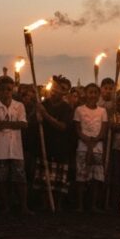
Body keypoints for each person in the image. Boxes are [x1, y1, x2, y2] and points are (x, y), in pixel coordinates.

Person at [0, 77, 31, 214]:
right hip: (0, 148)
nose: (7, 93)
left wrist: (4, 124)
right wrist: (13, 124)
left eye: (9, 90)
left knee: (20, 178)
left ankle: (24, 206)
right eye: (4, 89)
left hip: (16, 148)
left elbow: (23, 124)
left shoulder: (19, 106)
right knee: (1, 179)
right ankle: (5, 206)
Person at [33, 76, 75, 209]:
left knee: (59, 179)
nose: (56, 91)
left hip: (60, 147)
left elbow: (63, 126)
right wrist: (37, 117)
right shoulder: (43, 104)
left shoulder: (66, 108)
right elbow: (33, 123)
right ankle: (45, 204)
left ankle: (58, 205)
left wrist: (45, 116)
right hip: (45, 145)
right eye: (55, 87)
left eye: (61, 89)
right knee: (44, 178)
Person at [73, 83, 109, 212]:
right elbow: (77, 129)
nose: (93, 95)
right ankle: (80, 205)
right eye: (90, 92)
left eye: (95, 92)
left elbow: (103, 130)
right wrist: (87, 140)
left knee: (96, 177)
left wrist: (95, 141)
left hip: (97, 147)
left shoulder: (102, 111)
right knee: (81, 176)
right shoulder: (79, 110)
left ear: (98, 95)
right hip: (83, 146)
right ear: (86, 94)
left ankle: (93, 205)